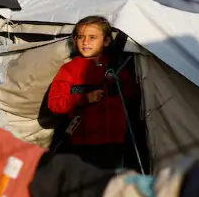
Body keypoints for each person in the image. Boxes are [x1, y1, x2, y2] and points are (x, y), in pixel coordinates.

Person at [47, 15, 140, 170]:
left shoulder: (117, 66)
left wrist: (116, 86)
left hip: (116, 141)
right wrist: (84, 98)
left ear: (106, 41)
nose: (85, 42)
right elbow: (55, 104)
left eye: (92, 37)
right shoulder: (69, 70)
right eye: (81, 37)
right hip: (83, 143)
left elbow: (134, 94)